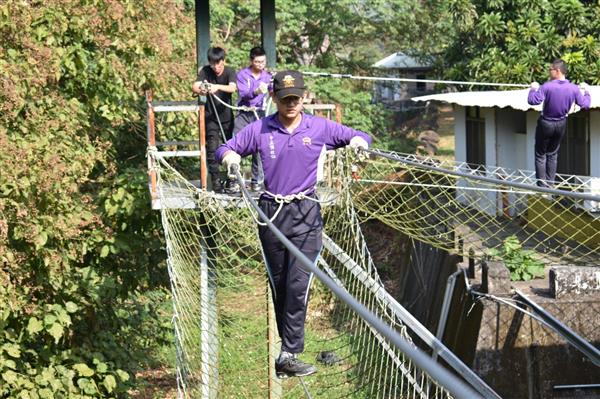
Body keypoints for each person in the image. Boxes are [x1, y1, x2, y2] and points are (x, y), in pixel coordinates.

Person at [215, 70, 371, 378]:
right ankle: (286, 355)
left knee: (299, 283)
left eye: (296, 98)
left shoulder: (318, 126)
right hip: (271, 214)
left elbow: (360, 135)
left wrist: (356, 142)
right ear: (273, 97)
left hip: (306, 215)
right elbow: (224, 148)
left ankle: (291, 352)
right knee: (281, 284)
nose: (291, 104)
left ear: (304, 97)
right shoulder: (261, 129)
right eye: (285, 98)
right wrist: (231, 158)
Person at [528, 59, 591, 187]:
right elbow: (585, 104)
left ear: (557, 71)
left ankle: (542, 185)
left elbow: (533, 101)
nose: (549, 72)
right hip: (561, 123)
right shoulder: (573, 88)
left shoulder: (547, 86)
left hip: (546, 123)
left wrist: (533, 89)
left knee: (541, 154)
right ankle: (550, 184)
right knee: (552, 153)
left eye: (550, 69)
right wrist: (587, 92)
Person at [192, 47, 238, 193]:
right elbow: (195, 86)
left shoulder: (230, 71)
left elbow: (232, 88)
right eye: (213, 64)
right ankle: (215, 181)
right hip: (211, 117)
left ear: (223, 61)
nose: (216, 67)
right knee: (212, 148)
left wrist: (216, 87)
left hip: (226, 117)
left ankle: (231, 180)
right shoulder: (206, 71)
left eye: (218, 63)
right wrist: (202, 89)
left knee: (229, 148)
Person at [233, 46, 272, 192]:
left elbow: (272, 91)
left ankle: (257, 181)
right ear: (251, 61)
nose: (261, 65)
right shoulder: (243, 75)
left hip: (260, 114)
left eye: (263, 62)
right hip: (244, 113)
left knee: (260, 146)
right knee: (238, 144)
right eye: (257, 62)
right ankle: (234, 179)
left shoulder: (267, 76)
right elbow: (244, 94)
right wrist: (256, 91)